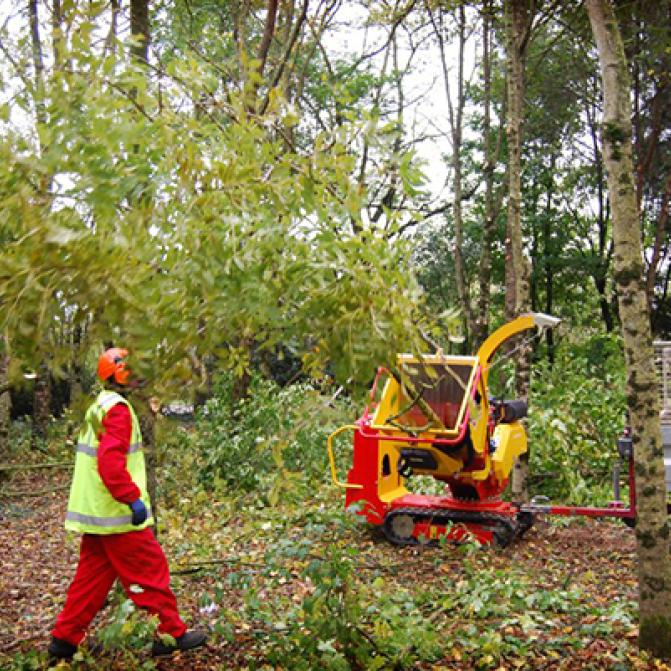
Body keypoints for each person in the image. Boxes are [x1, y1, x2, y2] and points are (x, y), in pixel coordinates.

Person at [48, 348, 207, 660]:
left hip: (98, 514)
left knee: (90, 581)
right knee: (150, 568)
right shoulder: (118, 411)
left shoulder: (100, 405)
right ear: (119, 375)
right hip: (117, 515)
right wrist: (131, 499)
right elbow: (109, 464)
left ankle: (63, 641)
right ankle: (170, 633)